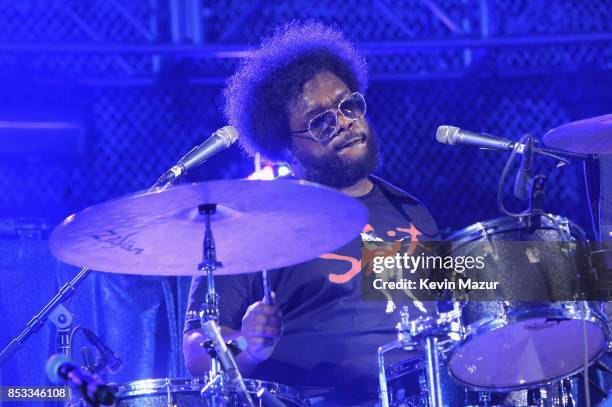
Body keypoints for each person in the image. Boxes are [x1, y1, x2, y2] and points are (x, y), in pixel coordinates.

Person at [183, 21, 439, 405]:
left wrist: (539, 277)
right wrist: (247, 347)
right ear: (285, 148)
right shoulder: (256, 222)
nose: (344, 124)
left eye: (347, 105)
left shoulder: (412, 212)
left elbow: (463, 318)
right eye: (320, 122)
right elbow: (195, 354)